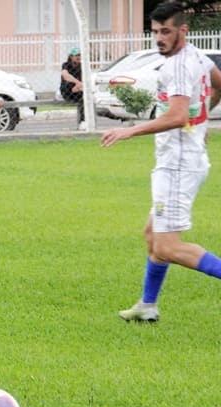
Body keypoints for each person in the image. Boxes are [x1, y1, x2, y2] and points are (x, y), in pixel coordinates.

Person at [101, 2, 221, 323]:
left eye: (166, 31)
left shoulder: (179, 65)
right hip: (182, 161)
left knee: (166, 246)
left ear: (183, 30)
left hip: (178, 166)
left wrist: (130, 131)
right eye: (155, 31)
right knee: (152, 235)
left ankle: (148, 305)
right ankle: (148, 306)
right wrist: (201, 122)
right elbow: (218, 81)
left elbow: (178, 115)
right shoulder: (198, 55)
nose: (159, 38)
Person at [60, 47, 86, 129]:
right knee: (70, 82)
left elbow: (84, 79)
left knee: (84, 98)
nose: (78, 57)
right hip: (67, 90)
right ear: (71, 57)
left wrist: (79, 85)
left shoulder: (81, 66)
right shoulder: (66, 65)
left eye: (79, 55)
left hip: (78, 90)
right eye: (76, 55)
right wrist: (77, 82)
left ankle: (83, 121)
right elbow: (65, 75)